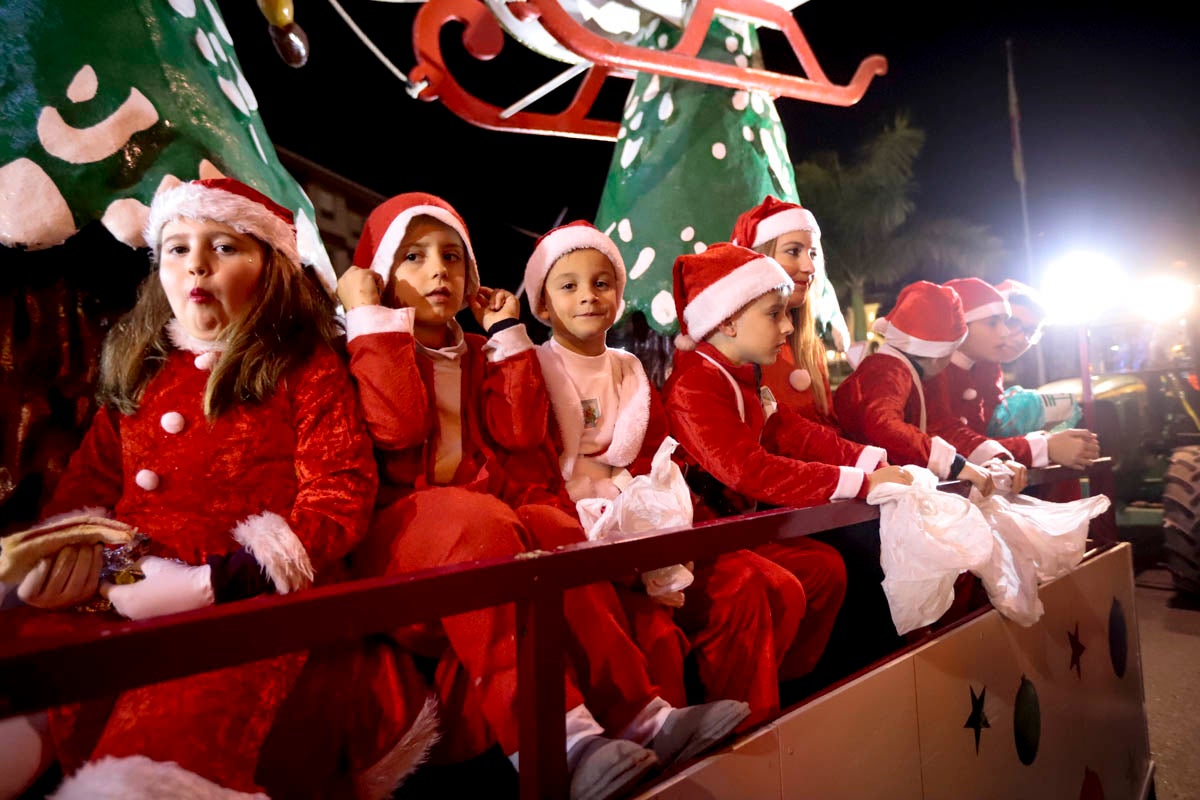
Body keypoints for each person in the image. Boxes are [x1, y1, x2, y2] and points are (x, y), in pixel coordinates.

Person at [0, 178, 409, 798]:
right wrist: (71, 552)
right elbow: (91, 481)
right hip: (126, 582)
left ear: (269, 268)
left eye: (223, 246)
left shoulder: (303, 366)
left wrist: (227, 578)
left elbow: (338, 491)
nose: (195, 263)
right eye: (177, 248)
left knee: (167, 742)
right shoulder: (143, 364)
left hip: (249, 599)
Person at [338, 194, 747, 800]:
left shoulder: (476, 352)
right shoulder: (365, 348)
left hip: (486, 524)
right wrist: (370, 320)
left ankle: (644, 715)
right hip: (403, 544)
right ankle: (559, 742)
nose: (438, 272)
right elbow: (395, 426)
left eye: (453, 257)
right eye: (414, 257)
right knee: (480, 522)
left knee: (555, 530)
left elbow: (520, 430)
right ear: (378, 274)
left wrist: (504, 335)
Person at [521, 221, 804, 728]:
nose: (588, 296)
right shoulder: (532, 369)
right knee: (669, 620)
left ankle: (721, 736)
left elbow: (654, 460)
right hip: (571, 531)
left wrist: (654, 530)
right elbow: (527, 458)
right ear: (542, 304)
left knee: (675, 627)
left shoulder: (631, 372)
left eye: (601, 283)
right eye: (568, 286)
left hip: (639, 527)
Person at [663, 243, 914, 685]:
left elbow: (790, 431)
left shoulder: (737, 374)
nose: (786, 325)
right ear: (726, 319)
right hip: (702, 541)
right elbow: (748, 468)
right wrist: (860, 482)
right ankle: (747, 712)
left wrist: (868, 460)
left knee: (825, 570)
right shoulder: (695, 383)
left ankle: (795, 691)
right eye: (773, 313)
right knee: (770, 588)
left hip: (738, 528)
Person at [834, 281, 996, 496]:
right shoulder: (888, 370)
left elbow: (940, 426)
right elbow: (884, 426)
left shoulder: (898, 369)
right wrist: (956, 465)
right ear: (941, 354)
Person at [925, 278, 1098, 471]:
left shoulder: (986, 364)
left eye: (1031, 332)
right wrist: (1042, 447)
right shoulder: (931, 365)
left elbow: (974, 433)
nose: (1009, 333)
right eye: (998, 322)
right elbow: (944, 437)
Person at [731, 196, 835, 424]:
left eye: (813, 254)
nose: (809, 267)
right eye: (793, 251)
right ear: (759, 257)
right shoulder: (731, 349)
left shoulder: (811, 347)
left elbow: (829, 429)